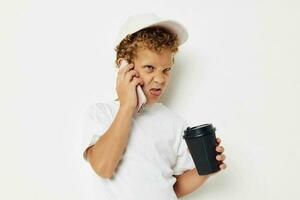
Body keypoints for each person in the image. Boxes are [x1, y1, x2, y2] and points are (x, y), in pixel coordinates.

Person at [81, 13, 227, 200]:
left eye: (166, 70)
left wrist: (206, 168)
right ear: (124, 66)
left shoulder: (174, 123)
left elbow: (175, 187)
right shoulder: (101, 114)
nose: (160, 79)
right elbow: (103, 167)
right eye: (149, 67)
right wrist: (127, 106)